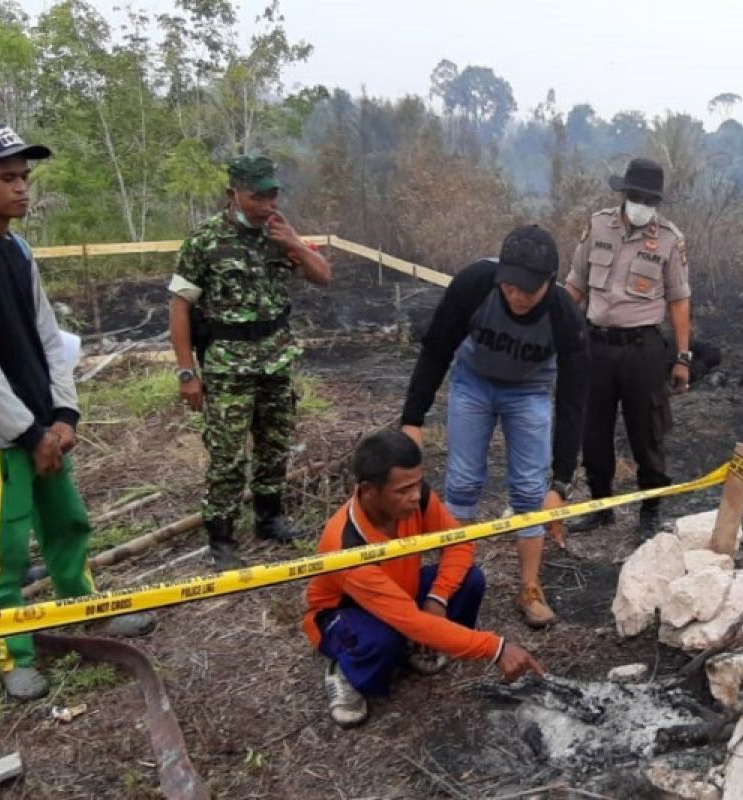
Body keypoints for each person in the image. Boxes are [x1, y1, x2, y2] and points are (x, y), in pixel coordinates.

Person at [0, 122, 155, 699]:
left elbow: (49, 338)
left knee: (68, 524)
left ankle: (86, 608)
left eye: (25, 177)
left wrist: (64, 416)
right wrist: (27, 431)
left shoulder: (18, 248)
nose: (21, 188)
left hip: (41, 428)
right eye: (7, 178)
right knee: (0, 548)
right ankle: (12, 651)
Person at [399, 225, 589, 628]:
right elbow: (436, 349)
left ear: (550, 283)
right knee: (464, 483)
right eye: (510, 286)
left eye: (527, 289)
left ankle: (530, 588)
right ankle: (453, 583)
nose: (516, 296)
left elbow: (574, 398)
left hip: (530, 391)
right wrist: (412, 419)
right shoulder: (475, 284)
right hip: (473, 383)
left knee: (528, 490)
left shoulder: (564, 315)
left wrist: (561, 483)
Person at [302, 429, 544, 727]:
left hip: (400, 595)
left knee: (470, 580)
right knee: (383, 637)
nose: (415, 496)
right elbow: (408, 619)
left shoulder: (419, 498)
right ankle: (346, 669)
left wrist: (437, 597)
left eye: (417, 484)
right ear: (369, 492)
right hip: (345, 613)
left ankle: (416, 645)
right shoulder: (345, 545)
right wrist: (496, 648)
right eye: (403, 490)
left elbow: (459, 542)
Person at [168, 154, 331, 570]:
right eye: (258, 196)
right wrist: (187, 372)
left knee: (275, 444)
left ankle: (269, 518)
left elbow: (323, 275)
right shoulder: (204, 241)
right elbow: (180, 307)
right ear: (233, 194)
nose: (267, 204)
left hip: (276, 360)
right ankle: (221, 537)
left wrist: (293, 243)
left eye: (273, 194)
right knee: (227, 455)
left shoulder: (279, 234)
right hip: (227, 366)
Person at [564, 158, 693, 540]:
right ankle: (600, 506)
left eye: (648, 199)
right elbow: (576, 284)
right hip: (596, 345)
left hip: (643, 350)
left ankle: (650, 511)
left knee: (647, 431)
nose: (641, 204)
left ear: (657, 202)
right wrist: (553, 326)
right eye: (636, 196)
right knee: (594, 430)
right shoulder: (598, 225)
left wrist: (683, 358)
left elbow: (679, 300)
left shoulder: (670, 238)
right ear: (624, 194)